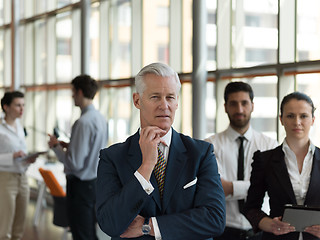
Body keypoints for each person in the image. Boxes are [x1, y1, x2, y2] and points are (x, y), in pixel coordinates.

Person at [96, 62, 226, 240]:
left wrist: (149, 226)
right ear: (137, 100)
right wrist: (146, 165)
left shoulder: (201, 153)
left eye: (170, 97)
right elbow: (110, 223)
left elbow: (215, 219)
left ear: (177, 102)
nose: (164, 106)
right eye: (155, 97)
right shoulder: (112, 157)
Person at [205, 81, 278, 240]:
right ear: (225, 107)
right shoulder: (209, 145)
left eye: (244, 103)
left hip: (260, 231)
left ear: (252, 105)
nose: (239, 109)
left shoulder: (270, 145)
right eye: (233, 104)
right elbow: (217, 189)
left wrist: (231, 188)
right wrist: (258, 186)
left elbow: (275, 188)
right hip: (222, 231)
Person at [244, 92, 320, 240]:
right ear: (281, 119)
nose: (297, 122)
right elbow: (251, 208)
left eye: (303, 116)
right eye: (290, 116)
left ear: (312, 120)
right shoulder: (264, 160)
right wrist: (269, 224)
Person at [48, 75, 108, 240]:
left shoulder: (83, 122)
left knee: (80, 233)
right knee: (89, 231)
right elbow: (93, 149)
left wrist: (55, 147)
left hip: (79, 186)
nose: (72, 96)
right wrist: (69, 145)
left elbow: (74, 163)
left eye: (73, 92)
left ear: (80, 92)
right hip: (94, 183)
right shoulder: (100, 119)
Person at [0, 91, 38, 240]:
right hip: (5, 179)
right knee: (4, 228)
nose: (22, 109)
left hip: (23, 178)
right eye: (17, 105)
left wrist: (28, 158)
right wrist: (12, 156)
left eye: (23, 105)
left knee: (19, 226)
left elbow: (23, 151)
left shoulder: (20, 127)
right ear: (6, 107)